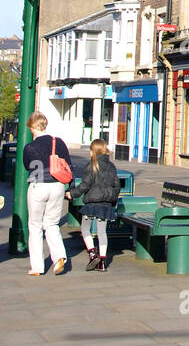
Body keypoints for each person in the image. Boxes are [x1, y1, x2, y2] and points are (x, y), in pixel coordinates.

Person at [22, 110, 74, 276]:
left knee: (35, 226)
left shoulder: (29, 147)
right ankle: (59, 257)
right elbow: (69, 166)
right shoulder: (58, 142)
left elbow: (27, 166)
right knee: (52, 223)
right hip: (57, 186)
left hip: (38, 186)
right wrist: (70, 188)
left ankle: (37, 267)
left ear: (32, 128)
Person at [73, 139, 121, 272]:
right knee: (102, 232)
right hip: (105, 204)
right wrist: (113, 200)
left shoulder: (91, 165)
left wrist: (73, 193)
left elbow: (84, 185)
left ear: (93, 151)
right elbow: (117, 186)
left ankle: (92, 253)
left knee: (85, 228)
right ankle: (103, 262)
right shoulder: (111, 166)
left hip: (91, 203)